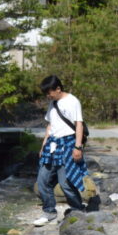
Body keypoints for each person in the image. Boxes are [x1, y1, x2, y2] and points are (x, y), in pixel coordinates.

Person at [34, 75, 88, 226]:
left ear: (58, 89)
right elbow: (50, 125)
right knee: (42, 180)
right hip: (52, 145)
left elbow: (79, 124)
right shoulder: (53, 103)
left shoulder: (72, 101)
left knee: (66, 183)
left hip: (68, 143)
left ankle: (78, 209)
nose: (48, 95)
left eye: (49, 92)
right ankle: (49, 212)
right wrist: (43, 146)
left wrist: (78, 147)